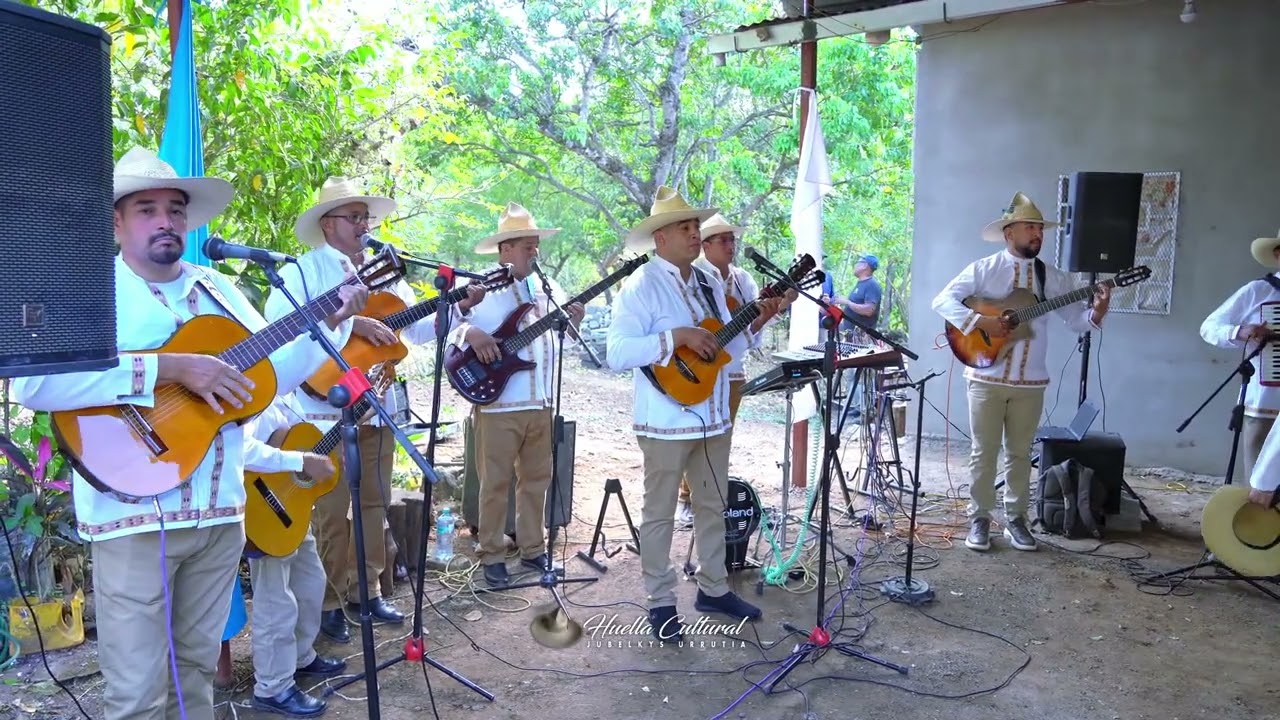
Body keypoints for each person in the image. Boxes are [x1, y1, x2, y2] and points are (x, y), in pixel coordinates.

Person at [10, 147, 367, 720]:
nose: (165, 220)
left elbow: (271, 378)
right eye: (146, 208)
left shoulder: (221, 290)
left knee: (197, 677)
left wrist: (332, 318)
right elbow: (36, 386)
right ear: (117, 222)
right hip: (133, 517)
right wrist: (169, 369)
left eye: (175, 209)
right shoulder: (91, 293)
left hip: (219, 514)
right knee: (137, 693)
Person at [266, 176, 482, 642]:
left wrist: (457, 307)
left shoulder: (387, 272)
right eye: (355, 216)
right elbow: (280, 337)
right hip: (323, 410)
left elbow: (419, 332)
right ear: (328, 224)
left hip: (376, 406)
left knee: (373, 503)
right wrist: (354, 320)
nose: (365, 224)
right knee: (329, 510)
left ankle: (368, 590)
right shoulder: (302, 274)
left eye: (367, 216)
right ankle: (328, 601)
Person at [607, 187, 776, 640]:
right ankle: (661, 601)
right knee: (660, 510)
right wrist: (676, 337)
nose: (695, 233)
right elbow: (617, 352)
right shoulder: (640, 286)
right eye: (685, 227)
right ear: (659, 237)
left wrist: (759, 317)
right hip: (665, 419)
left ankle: (714, 587)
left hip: (714, 414)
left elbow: (728, 346)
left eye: (696, 226)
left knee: (712, 503)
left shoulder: (707, 282)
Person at [931, 191, 1110, 553]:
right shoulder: (983, 269)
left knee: (1019, 453)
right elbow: (942, 300)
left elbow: (1076, 320)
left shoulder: (1053, 278)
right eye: (1030, 227)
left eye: (1040, 229)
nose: (1037, 234)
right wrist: (981, 321)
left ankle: (1017, 518)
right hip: (985, 377)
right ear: (1009, 232)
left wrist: (1099, 311)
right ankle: (980, 517)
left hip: (1031, 380)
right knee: (983, 451)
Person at [445, 202, 583, 588]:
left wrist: (574, 319)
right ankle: (490, 553)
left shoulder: (549, 289)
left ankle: (533, 548)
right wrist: (470, 333)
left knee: (537, 478)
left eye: (536, 245)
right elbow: (446, 332)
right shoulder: (481, 288)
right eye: (526, 245)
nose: (533, 252)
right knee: (495, 482)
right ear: (505, 249)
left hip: (539, 401)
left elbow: (563, 340)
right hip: (498, 404)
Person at [672, 213, 790, 527]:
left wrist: (771, 312)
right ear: (706, 246)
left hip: (733, 371)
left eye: (732, 239)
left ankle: (711, 499)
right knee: (695, 435)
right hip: (696, 370)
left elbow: (747, 337)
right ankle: (686, 499)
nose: (730, 245)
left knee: (722, 436)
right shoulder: (695, 278)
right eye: (723, 239)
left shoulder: (744, 281)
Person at [242, 395, 346, 717]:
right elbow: (240, 450)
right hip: (264, 514)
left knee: (311, 583)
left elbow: (304, 444)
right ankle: (272, 687)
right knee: (275, 602)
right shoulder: (253, 402)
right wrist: (300, 462)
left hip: (294, 513)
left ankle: (301, 656)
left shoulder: (285, 399)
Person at [1199, 228, 1280, 480]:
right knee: (1259, 481)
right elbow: (1209, 327)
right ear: (1278, 255)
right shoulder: (1259, 291)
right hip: (1266, 402)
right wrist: (1239, 331)